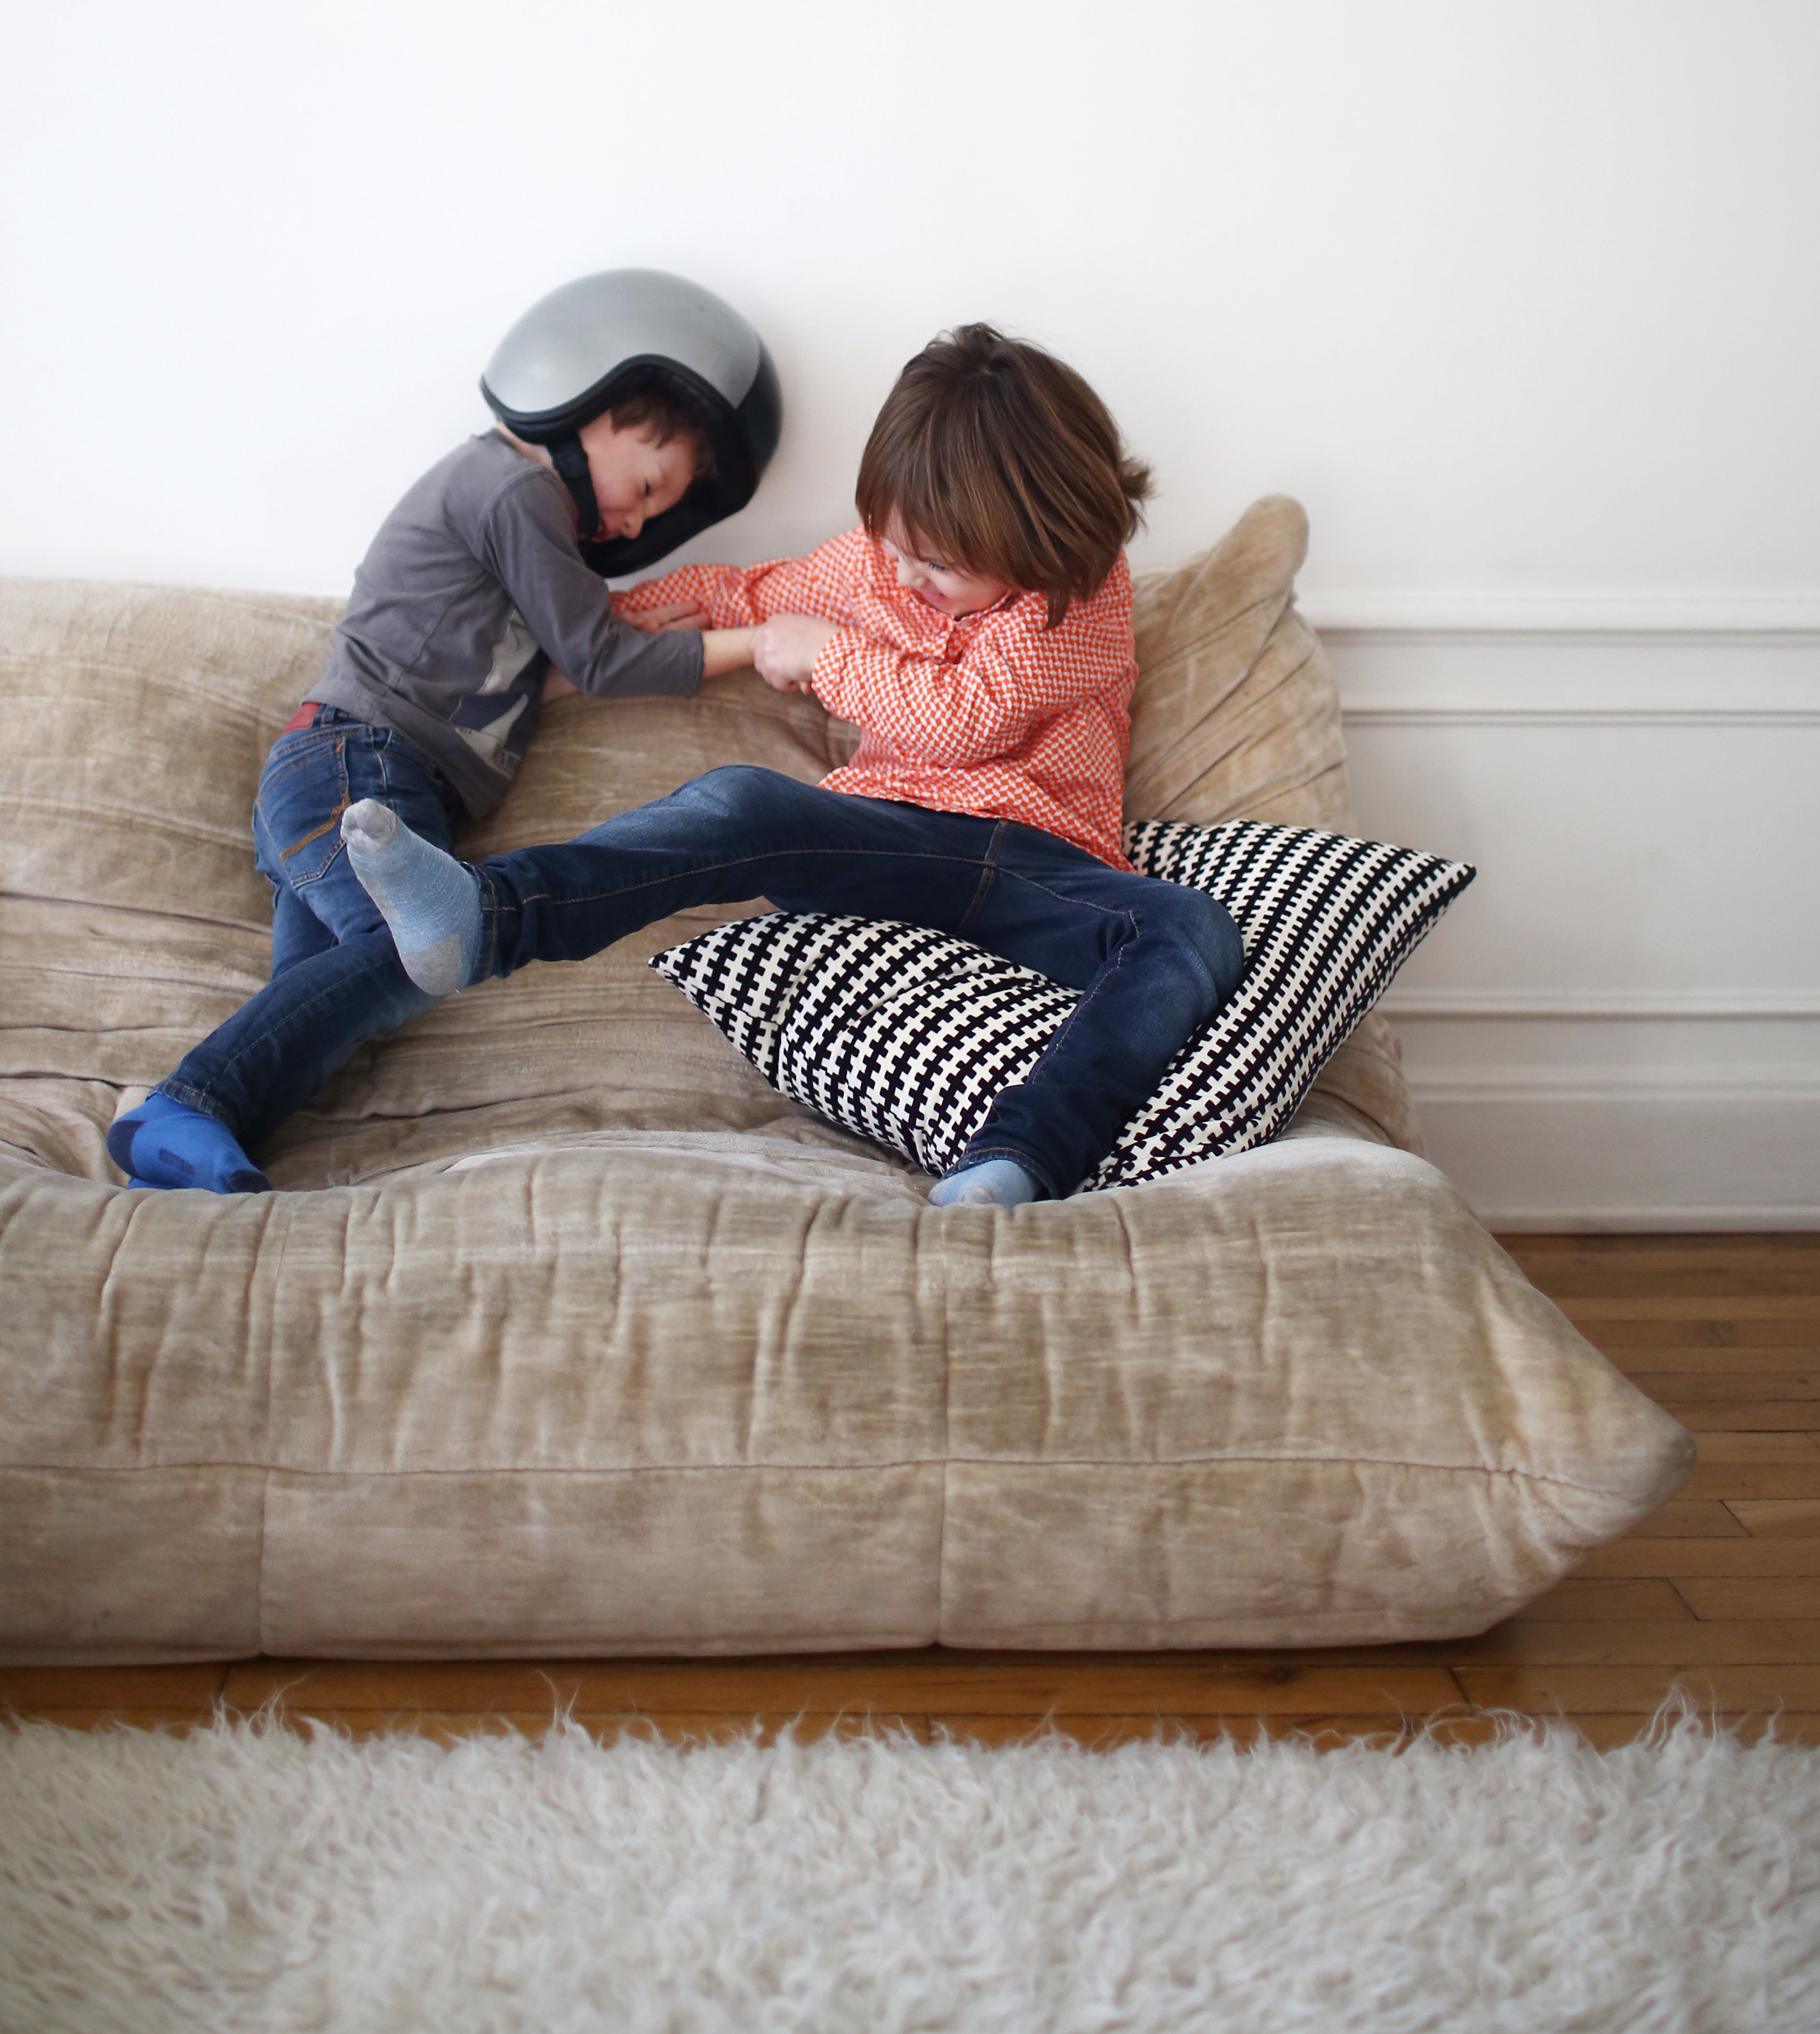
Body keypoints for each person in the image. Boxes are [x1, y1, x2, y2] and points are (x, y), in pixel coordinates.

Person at [338, 324, 1245, 1207]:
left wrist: (823, 655)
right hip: (894, 841)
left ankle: (1019, 1159)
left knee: (1194, 930)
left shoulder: (1080, 595)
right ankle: (486, 914)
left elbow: (967, 720)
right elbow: (745, 593)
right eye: (891, 542)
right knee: (743, 804)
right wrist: (598, 636)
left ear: (1039, 541)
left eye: (937, 562)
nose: (903, 573)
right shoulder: (878, 563)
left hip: (1044, 869)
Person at [108, 270, 780, 1193]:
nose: (638, 518)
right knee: (426, 945)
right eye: (650, 484)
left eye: (659, 514)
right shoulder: (513, 491)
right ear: (599, 400)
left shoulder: (515, 515)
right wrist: (761, 644)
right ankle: (178, 1102)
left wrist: (623, 640)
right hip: (355, 765)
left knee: (318, 1019)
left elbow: (544, 672)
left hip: (338, 781)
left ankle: (186, 1137)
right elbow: (599, 664)